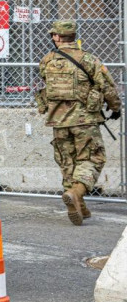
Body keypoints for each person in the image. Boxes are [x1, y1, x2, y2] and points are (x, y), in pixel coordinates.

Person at [36, 20, 121, 226]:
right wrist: (115, 107)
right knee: (93, 158)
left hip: (58, 121)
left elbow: (44, 83)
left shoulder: (47, 60)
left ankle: (79, 205)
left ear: (57, 37)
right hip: (85, 120)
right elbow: (107, 87)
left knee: (68, 161)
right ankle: (76, 192)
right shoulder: (89, 59)